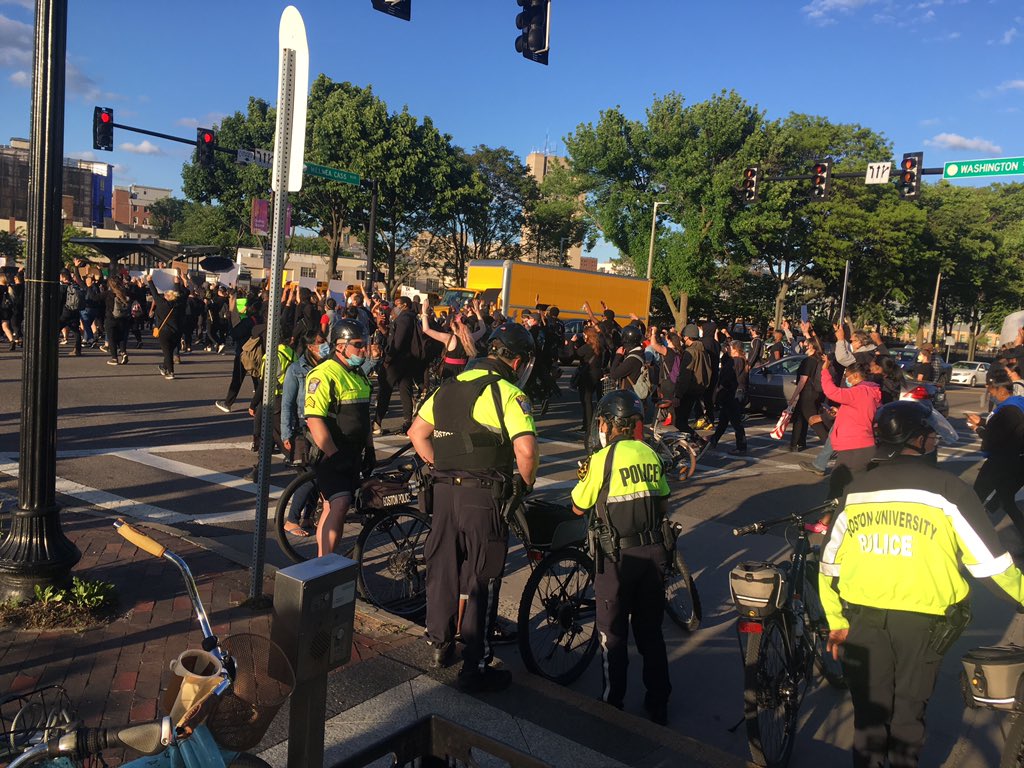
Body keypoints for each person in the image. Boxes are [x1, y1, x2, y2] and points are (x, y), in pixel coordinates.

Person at [818, 400, 1024, 768]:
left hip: (863, 620)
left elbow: (829, 565)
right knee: (908, 715)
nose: (935, 441)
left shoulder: (857, 490)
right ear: (916, 441)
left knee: (868, 714)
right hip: (923, 624)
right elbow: (992, 566)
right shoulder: (949, 490)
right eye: (930, 435)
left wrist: (836, 621)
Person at [407, 322, 538, 693]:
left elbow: (417, 432)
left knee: (443, 568)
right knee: (482, 575)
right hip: (483, 494)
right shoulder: (507, 393)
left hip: (445, 492)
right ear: (515, 360)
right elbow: (525, 450)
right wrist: (523, 485)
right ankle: (475, 664)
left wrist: (439, 466)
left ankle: (439, 644)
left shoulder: (447, 388)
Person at [571, 390, 672, 724]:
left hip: (617, 558)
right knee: (650, 632)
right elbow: (663, 502)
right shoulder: (651, 454)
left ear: (609, 423)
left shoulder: (603, 459)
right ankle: (658, 703)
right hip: (654, 553)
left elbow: (577, 505)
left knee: (612, 634)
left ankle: (612, 705)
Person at [303, 320, 375, 557]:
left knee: (331, 506)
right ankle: (326, 565)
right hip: (330, 453)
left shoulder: (358, 375)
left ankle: (322, 560)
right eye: (358, 345)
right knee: (341, 502)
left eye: (365, 344)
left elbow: (363, 418)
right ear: (340, 346)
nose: (363, 350)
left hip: (353, 451)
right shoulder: (324, 374)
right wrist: (335, 455)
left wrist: (369, 449)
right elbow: (314, 419)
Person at [967, 369, 1024, 543]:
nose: (991, 395)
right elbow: (1003, 430)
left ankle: (970, 537)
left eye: (991, 392)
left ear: (1001, 390)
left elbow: (993, 439)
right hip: (1017, 461)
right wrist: (983, 422)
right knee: (1006, 500)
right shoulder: (1018, 404)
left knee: (975, 499)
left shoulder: (1008, 411)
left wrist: (977, 429)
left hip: (1002, 462)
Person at [819, 359, 881, 499]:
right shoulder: (870, 391)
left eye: (847, 376)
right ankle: (829, 519)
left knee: (838, 487)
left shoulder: (858, 391)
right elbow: (862, 415)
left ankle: (827, 520)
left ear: (856, 376)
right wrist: (839, 412)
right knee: (850, 488)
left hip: (854, 447)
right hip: (863, 445)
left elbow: (832, 392)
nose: (846, 380)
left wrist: (825, 371)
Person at [374, 296, 418, 435]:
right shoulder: (409, 318)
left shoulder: (404, 319)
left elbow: (397, 342)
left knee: (385, 391)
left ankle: (377, 423)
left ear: (405, 305)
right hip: (407, 360)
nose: (395, 307)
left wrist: (388, 359)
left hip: (397, 360)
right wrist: (382, 326)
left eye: (397, 304)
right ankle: (407, 421)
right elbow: (391, 336)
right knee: (405, 390)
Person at [708, 341, 748, 454]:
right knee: (723, 420)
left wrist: (720, 390)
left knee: (736, 422)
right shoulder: (741, 360)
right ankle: (714, 439)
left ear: (735, 349)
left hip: (732, 394)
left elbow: (727, 377)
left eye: (730, 348)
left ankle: (741, 447)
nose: (728, 350)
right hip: (733, 393)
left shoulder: (736, 361)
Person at [147, 272, 186, 380]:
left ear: (166, 296)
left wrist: (150, 280)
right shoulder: (177, 303)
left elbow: (154, 293)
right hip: (176, 331)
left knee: (167, 352)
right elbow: (178, 294)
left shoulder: (161, 303)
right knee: (170, 350)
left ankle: (171, 372)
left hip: (164, 331)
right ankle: (164, 367)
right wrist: (177, 283)